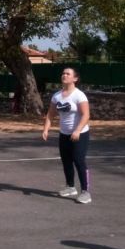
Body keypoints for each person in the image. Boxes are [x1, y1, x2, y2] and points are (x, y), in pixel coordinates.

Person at [42, 67, 92, 204]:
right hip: (64, 134)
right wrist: (46, 129)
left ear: (75, 78)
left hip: (80, 134)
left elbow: (86, 115)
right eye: (63, 73)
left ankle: (85, 192)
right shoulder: (57, 96)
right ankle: (70, 187)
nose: (64, 75)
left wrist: (77, 130)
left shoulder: (79, 95)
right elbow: (50, 114)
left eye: (68, 74)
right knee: (66, 161)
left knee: (79, 160)